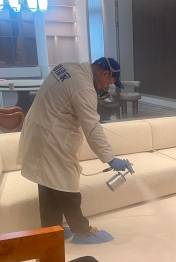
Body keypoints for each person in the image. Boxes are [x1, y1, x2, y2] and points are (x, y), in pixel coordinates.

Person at [16, 57, 132, 244]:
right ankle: (82, 231)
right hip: (52, 138)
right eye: (110, 83)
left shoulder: (68, 67)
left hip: (40, 129)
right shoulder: (84, 88)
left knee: (48, 184)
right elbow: (92, 128)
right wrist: (110, 158)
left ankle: (51, 230)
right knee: (67, 187)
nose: (107, 88)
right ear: (104, 74)